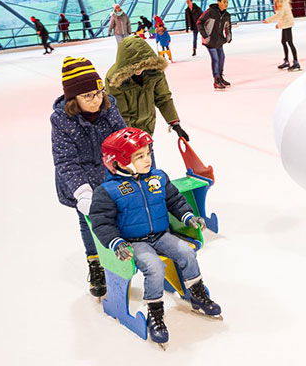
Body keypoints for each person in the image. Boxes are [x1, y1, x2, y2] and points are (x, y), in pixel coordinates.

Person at [90, 127, 222, 346]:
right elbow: (101, 222)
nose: (147, 159)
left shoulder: (158, 178)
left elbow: (175, 201)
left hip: (161, 235)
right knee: (154, 267)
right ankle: (155, 313)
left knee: (186, 252)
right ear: (118, 162)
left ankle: (197, 294)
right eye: (139, 156)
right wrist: (116, 243)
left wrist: (188, 216)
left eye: (148, 153)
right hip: (134, 242)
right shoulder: (108, 191)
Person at [50, 56, 127, 298]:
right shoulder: (61, 120)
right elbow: (65, 160)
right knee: (88, 222)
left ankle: (120, 255)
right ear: (74, 99)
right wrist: (83, 192)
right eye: (88, 96)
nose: (96, 100)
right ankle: (95, 264)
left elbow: (122, 137)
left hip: (108, 174)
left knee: (118, 216)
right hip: (80, 180)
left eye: (99, 92)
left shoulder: (108, 106)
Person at [105, 35, 189, 141]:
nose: (138, 71)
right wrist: (129, 137)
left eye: (142, 66)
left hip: (147, 128)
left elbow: (163, 98)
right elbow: (120, 112)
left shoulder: (154, 73)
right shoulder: (115, 79)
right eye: (134, 67)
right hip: (126, 134)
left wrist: (174, 123)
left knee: (148, 156)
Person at [196, 0, 233, 90]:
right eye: (224, 2)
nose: (226, 4)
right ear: (219, 2)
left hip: (219, 40)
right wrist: (205, 35)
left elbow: (228, 26)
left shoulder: (226, 15)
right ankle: (216, 80)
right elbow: (199, 22)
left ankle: (220, 77)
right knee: (215, 58)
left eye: (227, 2)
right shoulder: (210, 12)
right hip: (210, 40)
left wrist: (229, 35)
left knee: (222, 57)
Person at [263, 0, 299, 71]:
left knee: (289, 42)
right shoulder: (278, 0)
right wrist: (279, 24)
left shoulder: (282, 0)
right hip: (284, 23)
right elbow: (281, 14)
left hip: (287, 23)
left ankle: (296, 62)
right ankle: (286, 61)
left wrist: (269, 20)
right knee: (283, 42)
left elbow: (280, 14)